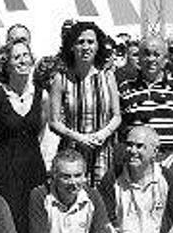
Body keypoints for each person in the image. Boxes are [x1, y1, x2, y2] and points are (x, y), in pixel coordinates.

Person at [0, 38, 48, 233]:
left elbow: (40, 131)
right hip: (4, 170)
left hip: (33, 168)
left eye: (25, 55)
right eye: (16, 57)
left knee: (33, 224)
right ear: (6, 63)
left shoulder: (41, 95)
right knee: (7, 224)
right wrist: (0, 157)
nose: (22, 61)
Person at [49, 21, 122, 185]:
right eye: (80, 42)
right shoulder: (60, 79)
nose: (86, 47)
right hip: (72, 152)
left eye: (91, 42)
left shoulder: (108, 77)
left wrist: (102, 134)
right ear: (72, 47)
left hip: (102, 152)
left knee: (101, 202)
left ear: (98, 46)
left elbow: (117, 116)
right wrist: (78, 137)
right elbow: (53, 122)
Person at [119, 35, 173, 184]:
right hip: (139, 162)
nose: (151, 59)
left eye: (156, 55)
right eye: (146, 54)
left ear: (165, 59)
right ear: (139, 58)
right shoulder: (125, 89)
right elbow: (122, 128)